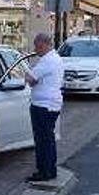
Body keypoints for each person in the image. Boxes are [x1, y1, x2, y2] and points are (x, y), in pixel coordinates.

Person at [24, 33, 64, 184]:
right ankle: (50, 170)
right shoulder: (55, 59)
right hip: (50, 104)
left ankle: (44, 172)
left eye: (39, 47)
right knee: (48, 139)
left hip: (43, 105)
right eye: (36, 46)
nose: (36, 50)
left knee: (42, 140)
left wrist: (28, 74)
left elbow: (30, 79)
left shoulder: (48, 61)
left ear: (47, 45)